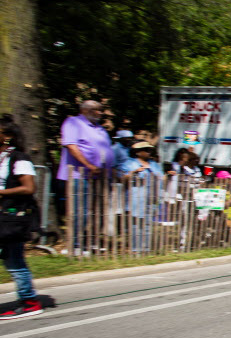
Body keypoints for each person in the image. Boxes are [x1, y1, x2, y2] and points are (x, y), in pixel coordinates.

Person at [58, 100, 115, 254]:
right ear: (85, 110)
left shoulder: (100, 129)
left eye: (101, 110)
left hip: (100, 176)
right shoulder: (73, 122)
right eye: (97, 110)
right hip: (80, 175)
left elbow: (106, 149)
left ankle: (89, 242)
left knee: (96, 212)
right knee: (79, 211)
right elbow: (71, 145)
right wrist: (89, 165)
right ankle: (74, 244)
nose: (100, 113)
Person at [0, 115, 43, 320]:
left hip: (10, 217)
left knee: (14, 260)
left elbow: (29, 187)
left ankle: (29, 301)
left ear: (7, 136)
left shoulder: (19, 158)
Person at [119, 142, 163, 253]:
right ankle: (135, 250)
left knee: (148, 224)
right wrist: (133, 172)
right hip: (136, 198)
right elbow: (122, 178)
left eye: (149, 150)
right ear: (138, 152)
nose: (149, 152)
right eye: (146, 150)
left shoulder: (153, 164)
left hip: (151, 197)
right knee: (136, 224)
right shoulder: (130, 163)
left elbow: (162, 177)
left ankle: (146, 249)